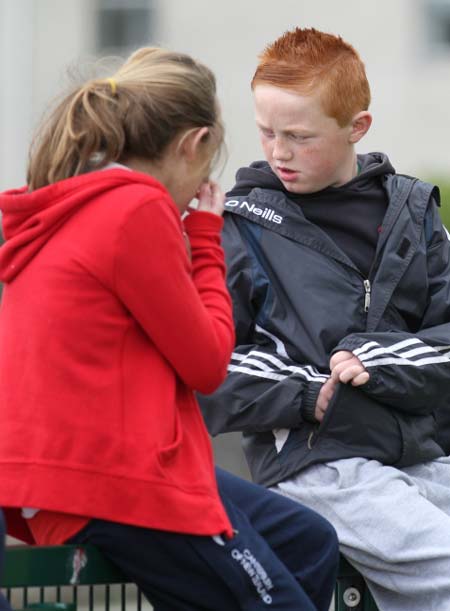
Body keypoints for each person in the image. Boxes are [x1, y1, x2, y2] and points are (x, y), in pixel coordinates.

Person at [0, 46, 339, 610]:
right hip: (110, 479)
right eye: (206, 169)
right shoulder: (135, 209)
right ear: (191, 144)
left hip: (70, 473)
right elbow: (207, 364)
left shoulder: (71, 204)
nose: (200, 189)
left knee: (307, 542)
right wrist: (206, 236)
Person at [199, 27, 450, 611]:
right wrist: (309, 391)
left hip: (427, 452)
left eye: (299, 136)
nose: (278, 151)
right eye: (266, 132)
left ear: (356, 128)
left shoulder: (415, 214)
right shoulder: (236, 230)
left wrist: (380, 358)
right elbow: (207, 362)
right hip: (319, 467)